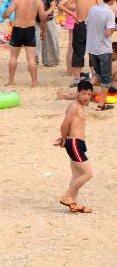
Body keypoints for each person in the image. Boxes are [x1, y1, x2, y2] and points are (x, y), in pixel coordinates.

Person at [55, 80, 94, 213]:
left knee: (77, 174)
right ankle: (67, 195)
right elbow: (64, 125)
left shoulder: (82, 105)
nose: (86, 97)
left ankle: (73, 204)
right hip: (74, 144)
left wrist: (64, 138)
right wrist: (64, 139)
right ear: (78, 92)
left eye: (89, 94)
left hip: (78, 143)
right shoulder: (74, 106)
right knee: (88, 173)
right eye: (84, 93)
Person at [58, 0, 103, 84]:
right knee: (94, 51)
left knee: (78, 52)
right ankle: (94, 76)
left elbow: (60, 5)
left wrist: (72, 14)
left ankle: (77, 79)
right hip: (93, 24)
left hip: (80, 23)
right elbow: (102, 8)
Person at [4, 0, 48, 87]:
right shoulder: (37, 1)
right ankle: (34, 82)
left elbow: (7, 14)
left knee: (13, 57)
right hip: (30, 30)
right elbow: (43, 18)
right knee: (31, 58)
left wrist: (6, 14)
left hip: (17, 29)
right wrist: (43, 31)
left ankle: (11, 80)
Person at [84, 0, 115, 111]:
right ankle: (101, 105)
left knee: (97, 75)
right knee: (106, 78)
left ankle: (81, 96)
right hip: (103, 49)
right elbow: (108, 33)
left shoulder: (93, 9)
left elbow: (87, 24)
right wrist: (113, 29)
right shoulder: (109, 13)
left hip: (92, 48)